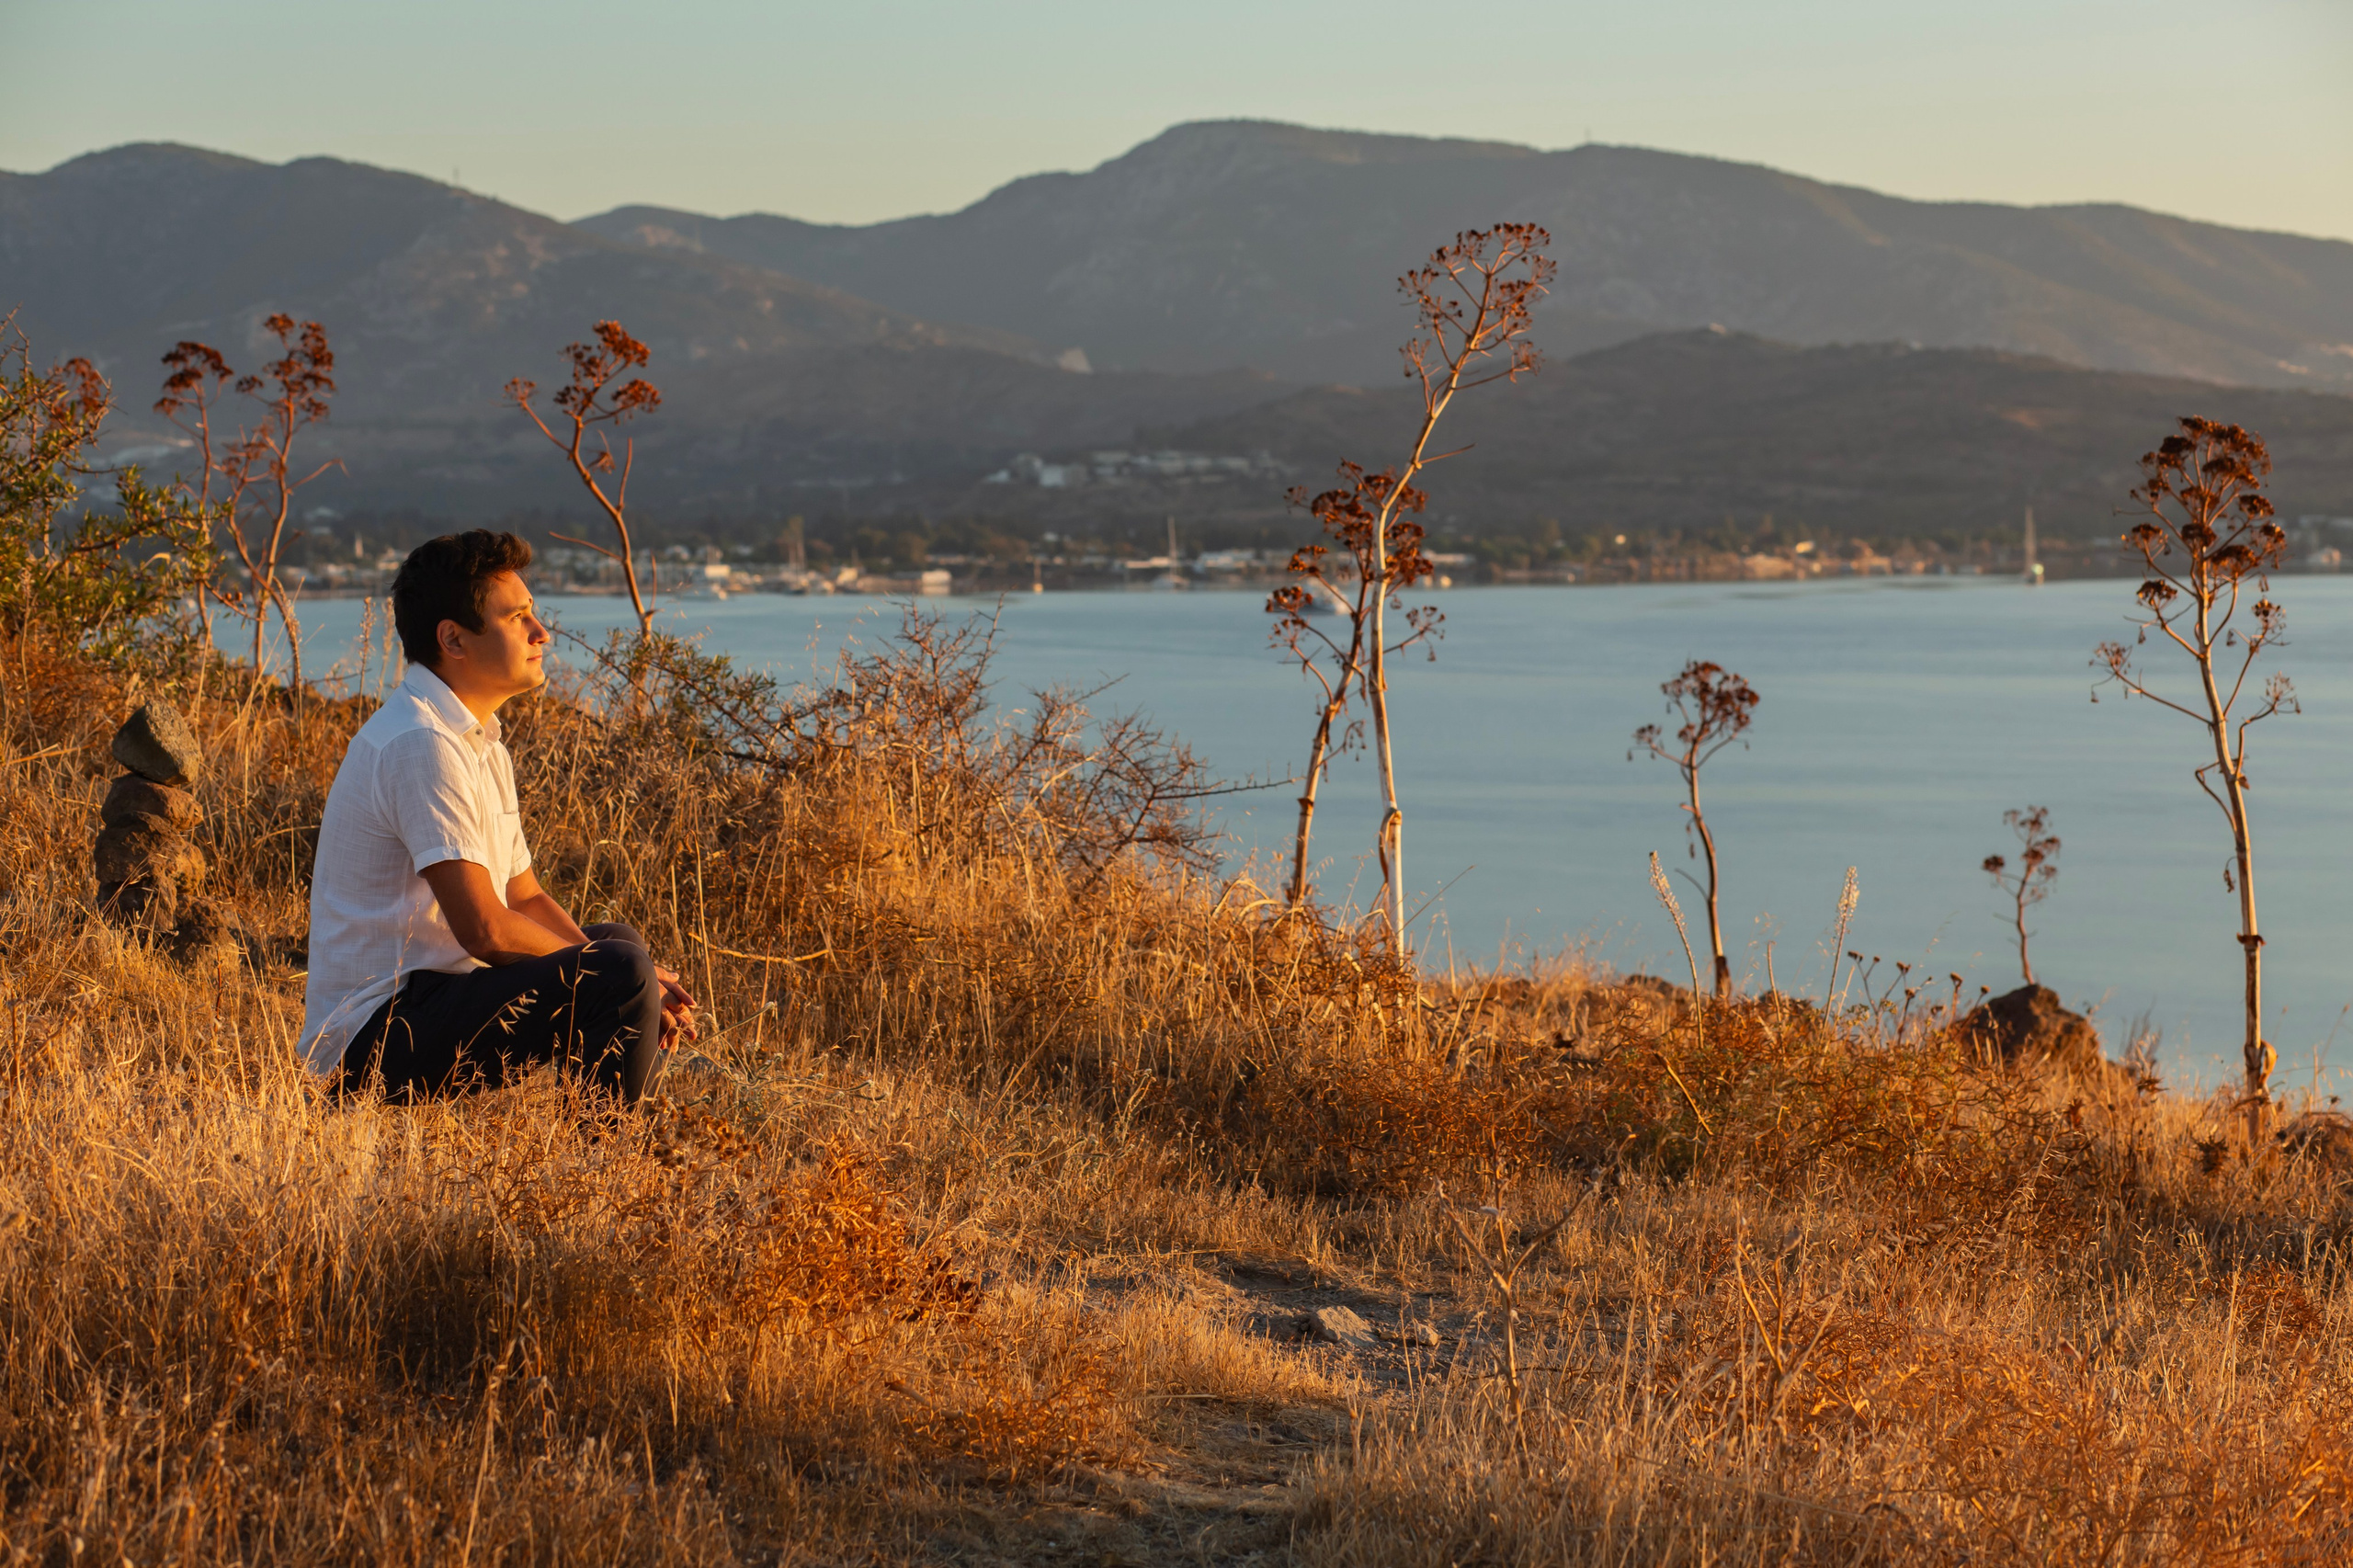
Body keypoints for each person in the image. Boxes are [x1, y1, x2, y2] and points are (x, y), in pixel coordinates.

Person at [297, 529, 694, 1105]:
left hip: (429, 999)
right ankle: (606, 1164)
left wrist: (625, 972)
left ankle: (601, 1141)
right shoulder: (420, 742)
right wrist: (629, 980)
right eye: (517, 619)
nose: (542, 633)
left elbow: (524, 896)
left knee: (619, 948)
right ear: (453, 639)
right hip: (370, 1044)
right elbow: (483, 929)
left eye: (533, 615)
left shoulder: (478, 742)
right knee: (621, 969)